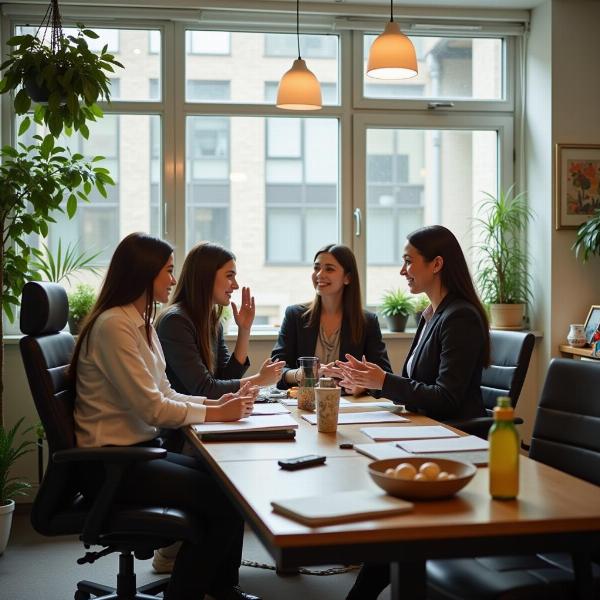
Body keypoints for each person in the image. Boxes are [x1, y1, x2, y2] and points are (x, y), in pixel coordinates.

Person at [72, 232, 260, 600]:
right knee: (222, 500)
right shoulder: (115, 325)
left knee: (228, 483)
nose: (175, 280)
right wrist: (216, 413)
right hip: (111, 464)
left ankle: (221, 588)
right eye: (168, 271)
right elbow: (153, 408)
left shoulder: (140, 321)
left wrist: (214, 410)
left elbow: (166, 392)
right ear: (145, 274)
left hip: (138, 452)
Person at [339, 225, 490, 600]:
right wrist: (372, 383)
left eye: (409, 261)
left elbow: (447, 397)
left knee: (385, 508)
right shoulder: (430, 314)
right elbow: (413, 382)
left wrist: (384, 381)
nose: (403, 270)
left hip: (453, 439)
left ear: (437, 264)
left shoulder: (461, 317)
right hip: (425, 432)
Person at [157, 242, 285, 399]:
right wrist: (259, 380)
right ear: (207, 276)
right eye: (229, 276)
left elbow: (225, 378)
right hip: (183, 422)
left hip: (206, 419)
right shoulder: (175, 322)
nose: (236, 285)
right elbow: (204, 389)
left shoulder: (211, 321)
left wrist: (244, 330)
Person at [271, 243, 392, 395]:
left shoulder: (367, 321)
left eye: (329, 269)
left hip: (349, 408)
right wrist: (302, 374)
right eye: (316, 268)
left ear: (347, 277)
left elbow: (384, 376)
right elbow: (275, 369)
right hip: (303, 404)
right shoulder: (295, 315)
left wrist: (360, 387)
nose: (319, 274)